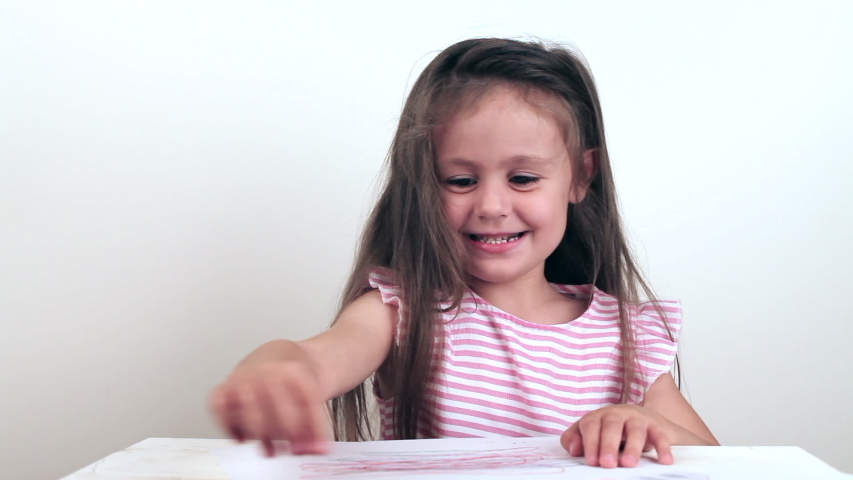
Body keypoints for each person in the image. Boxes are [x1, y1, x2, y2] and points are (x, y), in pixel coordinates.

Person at [209, 37, 719, 469]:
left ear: (582, 176)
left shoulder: (625, 335)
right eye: (460, 180)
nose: (492, 206)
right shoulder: (404, 310)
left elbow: (725, 461)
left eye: (522, 178)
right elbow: (318, 358)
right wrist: (278, 370)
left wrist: (649, 426)